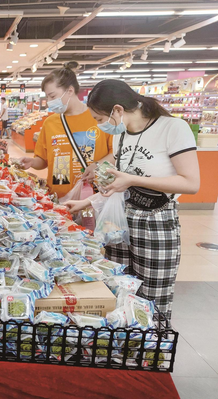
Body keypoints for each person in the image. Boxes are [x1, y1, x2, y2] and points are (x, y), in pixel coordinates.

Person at [64, 79, 200, 319]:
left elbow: (190, 183)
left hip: (156, 224)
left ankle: (150, 354)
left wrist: (132, 180)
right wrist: (86, 202)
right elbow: (120, 186)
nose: (99, 125)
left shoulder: (173, 128)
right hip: (119, 223)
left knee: (152, 300)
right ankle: (123, 353)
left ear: (117, 110)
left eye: (99, 119)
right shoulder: (121, 134)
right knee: (118, 289)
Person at [17, 62, 114, 198]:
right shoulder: (50, 123)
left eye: (52, 96)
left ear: (69, 91)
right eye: (47, 97)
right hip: (59, 197)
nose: (50, 102)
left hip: (94, 195)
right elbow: (43, 159)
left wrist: (97, 166)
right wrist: (32, 162)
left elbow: (115, 153)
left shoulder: (98, 117)